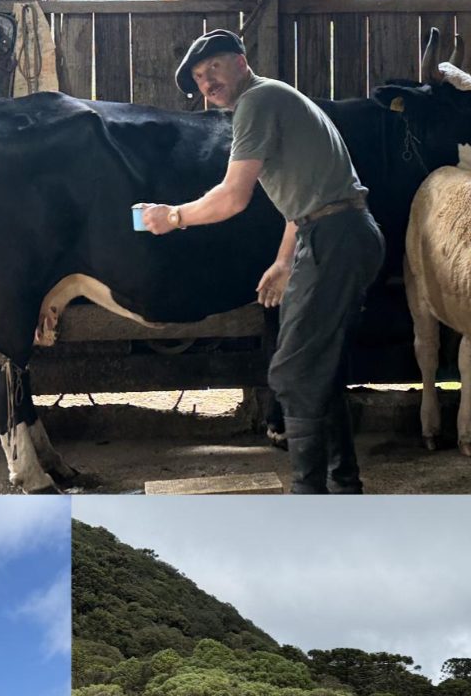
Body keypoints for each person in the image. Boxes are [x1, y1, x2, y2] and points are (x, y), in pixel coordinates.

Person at [137, 29, 384, 492]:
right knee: (318, 368)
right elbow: (308, 194)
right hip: (334, 232)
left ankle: (309, 493)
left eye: (214, 68)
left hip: (336, 237)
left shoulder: (256, 102)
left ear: (240, 61)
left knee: (292, 371)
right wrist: (284, 260)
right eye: (198, 77)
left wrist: (173, 216)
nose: (207, 82)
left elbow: (232, 197)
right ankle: (343, 486)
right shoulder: (275, 99)